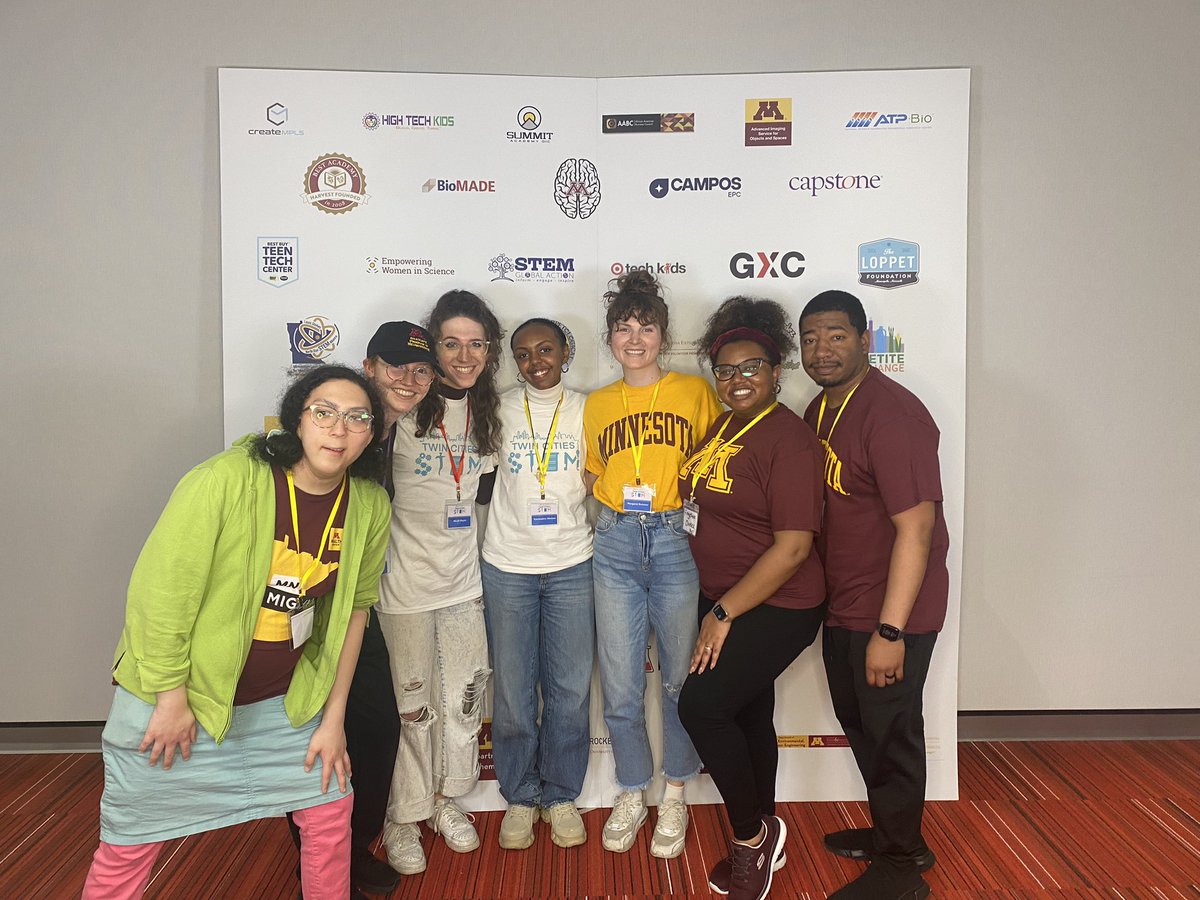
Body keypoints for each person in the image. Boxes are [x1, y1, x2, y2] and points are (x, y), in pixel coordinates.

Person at [82, 365, 392, 900]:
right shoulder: (225, 479)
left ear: (372, 433)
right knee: (130, 840)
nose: (338, 430)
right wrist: (171, 698)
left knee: (329, 808)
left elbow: (355, 613)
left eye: (357, 418)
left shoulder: (368, 506)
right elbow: (160, 596)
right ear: (297, 418)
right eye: (324, 412)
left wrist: (333, 718)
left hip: (282, 704)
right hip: (181, 696)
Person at [799, 290, 948, 900]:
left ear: (866, 338)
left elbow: (917, 528)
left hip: (892, 611)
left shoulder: (893, 414)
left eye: (836, 335)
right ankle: (896, 833)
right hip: (845, 602)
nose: (822, 349)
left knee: (892, 733)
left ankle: (901, 865)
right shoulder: (820, 407)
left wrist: (891, 632)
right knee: (861, 723)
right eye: (810, 338)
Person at [676, 297, 826, 900]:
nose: (737, 380)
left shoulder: (787, 439)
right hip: (725, 595)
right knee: (745, 712)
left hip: (780, 604)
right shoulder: (727, 423)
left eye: (751, 368)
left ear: (775, 371)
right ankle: (768, 828)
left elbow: (792, 548)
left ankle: (749, 838)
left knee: (702, 708)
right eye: (726, 370)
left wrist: (722, 612)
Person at [289, 321, 440, 898]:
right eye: (395, 365)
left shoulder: (388, 433)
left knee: (374, 729)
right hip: (301, 606)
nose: (407, 378)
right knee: (310, 736)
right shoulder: (337, 429)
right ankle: (323, 864)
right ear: (369, 365)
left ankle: (346, 850)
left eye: (420, 369)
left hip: (356, 605)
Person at [583, 270, 721, 858]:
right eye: (623, 328)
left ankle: (675, 791)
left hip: (674, 542)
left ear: (663, 336)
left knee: (678, 679)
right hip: (614, 542)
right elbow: (592, 471)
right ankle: (632, 789)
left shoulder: (693, 392)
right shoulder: (598, 403)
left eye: (645, 327)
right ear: (610, 338)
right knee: (618, 683)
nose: (634, 338)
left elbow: (720, 460)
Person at [376, 291, 502, 875]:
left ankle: (446, 801)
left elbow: (478, 498)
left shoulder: (489, 414)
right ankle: (402, 813)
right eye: (451, 343)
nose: (464, 355)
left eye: (476, 343)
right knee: (411, 707)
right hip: (401, 591)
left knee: (463, 700)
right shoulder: (398, 415)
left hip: (463, 586)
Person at [478, 318, 595, 851]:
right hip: (507, 565)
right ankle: (521, 795)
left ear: (565, 350)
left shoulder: (589, 408)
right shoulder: (496, 408)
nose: (535, 361)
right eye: (523, 354)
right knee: (514, 694)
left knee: (569, 690)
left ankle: (562, 793)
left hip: (573, 563)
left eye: (545, 349)